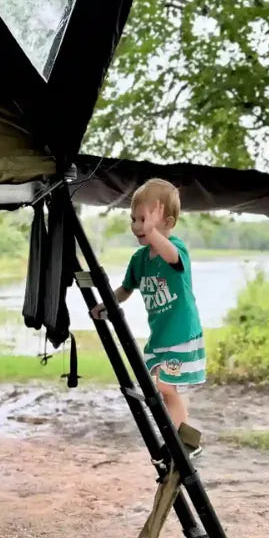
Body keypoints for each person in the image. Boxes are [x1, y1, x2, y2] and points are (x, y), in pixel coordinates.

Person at [91, 178, 204, 455]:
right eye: (134, 219)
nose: (137, 226)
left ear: (168, 222)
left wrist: (153, 234)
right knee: (162, 390)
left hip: (182, 337)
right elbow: (126, 290)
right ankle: (180, 438)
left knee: (166, 386)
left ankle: (185, 444)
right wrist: (105, 305)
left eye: (144, 220)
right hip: (161, 339)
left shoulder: (176, 249)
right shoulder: (139, 260)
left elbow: (171, 256)